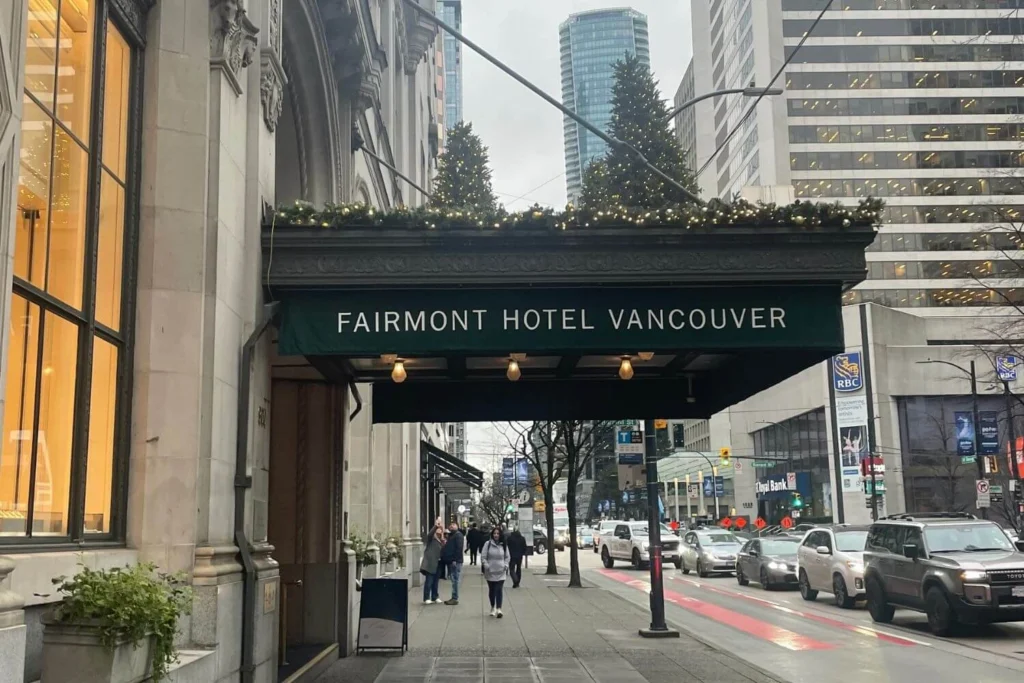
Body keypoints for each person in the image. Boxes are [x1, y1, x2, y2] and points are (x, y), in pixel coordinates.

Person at [481, 526, 509, 618]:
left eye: (498, 533)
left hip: (501, 571)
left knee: (499, 589)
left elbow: (507, 557)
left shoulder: (504, 544)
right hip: (490, 571)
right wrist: (486, 565)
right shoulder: (487, 544)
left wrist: (505, 565)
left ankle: (499, 609)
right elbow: (483, 556)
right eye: (494, 533)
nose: (496, 535)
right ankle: (492, 607)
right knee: (492, 590)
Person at [419, 520, 444, 604]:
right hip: (430, 563)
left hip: (438, 563)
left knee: (436, 581)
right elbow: (430, 534)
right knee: (429, 581)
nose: (439, 530)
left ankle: (435, 596)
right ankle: (426, 597)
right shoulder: (432, 539)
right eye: (438, 529)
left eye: (440, 529)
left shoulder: (442, 540)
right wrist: (436, 526)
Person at [441, 521, 465, 605]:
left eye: (453, 525)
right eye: (450, 525)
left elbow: (459, 548)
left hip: (455, 561)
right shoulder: (451, 536)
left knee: (455, 579)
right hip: (451, 561)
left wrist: (455, 559)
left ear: (457, 526)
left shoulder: (458, 535)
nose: (451, 526)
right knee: (453, 579)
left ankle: (454, 597)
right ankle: (454, 597)